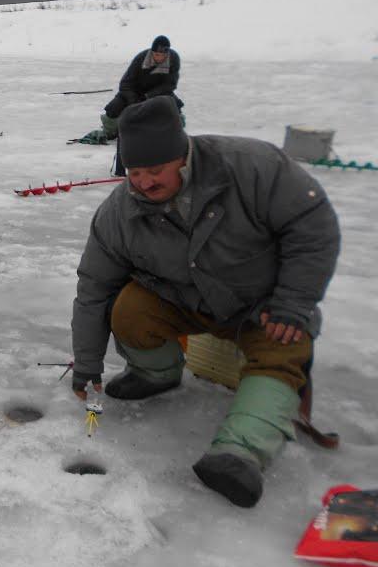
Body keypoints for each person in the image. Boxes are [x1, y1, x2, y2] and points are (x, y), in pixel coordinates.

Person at [69, 96, 340, 508]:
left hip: (262, 305)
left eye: (155, 170)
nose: (143, 183)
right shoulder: (119, 214)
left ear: (182, 155)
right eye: (134, 173)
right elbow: (93, 289)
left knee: (287, 346)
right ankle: (156, 374)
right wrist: (87, 367)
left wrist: (293, 301)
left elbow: (313, 227)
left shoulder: (251, 167)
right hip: (185, 300)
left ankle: (240, 454)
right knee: (127, 308)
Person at [101, 35, 182, 141]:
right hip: (135, 92)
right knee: (113, 108)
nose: (158, 57)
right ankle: (111, 132)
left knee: (175, 108)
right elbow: (125, 84)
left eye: (161, 55)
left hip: (159, 93)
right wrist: (133, 100)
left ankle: (172, 132)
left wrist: (149, 96)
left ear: (167, 54)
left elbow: (170, 84)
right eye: (155, 54)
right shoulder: (141, 58)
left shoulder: (173, 59)